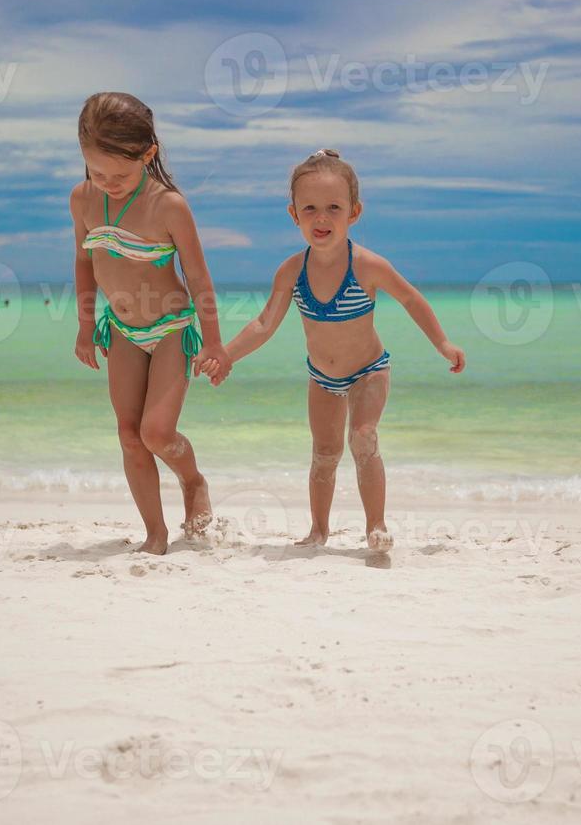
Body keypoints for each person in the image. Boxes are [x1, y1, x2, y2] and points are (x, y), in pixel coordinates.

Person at [206, 149, 465, 551]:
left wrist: (443, 344)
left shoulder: (368, 266)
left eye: (333, 208)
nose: (321, 218)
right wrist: (225, 354)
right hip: (322, 378)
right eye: (309, 208)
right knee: (324, 454)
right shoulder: (291, 271)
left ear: (354, 212)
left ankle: (375, 525)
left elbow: (412, 299)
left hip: (369, 370)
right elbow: (263, 324)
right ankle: (318, 531)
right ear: (294, 214)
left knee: (363, 437)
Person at [70, 92, 231, 554]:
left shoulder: (168, 206)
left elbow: (198, 277)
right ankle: (155, 534)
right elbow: (85, 264)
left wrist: (215, 343)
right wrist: (85, 327)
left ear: (148, 154)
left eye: (119, 174)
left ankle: (193, 480)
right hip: (120, 329)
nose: (107, 182)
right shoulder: (82, 200)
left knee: (156, 433)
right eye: (97, 171)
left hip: (170, 329)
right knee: (128, 435)